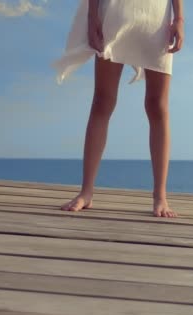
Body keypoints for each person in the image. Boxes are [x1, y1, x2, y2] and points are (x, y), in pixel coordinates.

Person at [53, 0, 184, 218]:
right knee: (102, 101)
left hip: (157, 20)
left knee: (157, 106)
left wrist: (179, 19)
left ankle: (160, 196)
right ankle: (86, 192)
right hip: (115, 13)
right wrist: (92, 16)